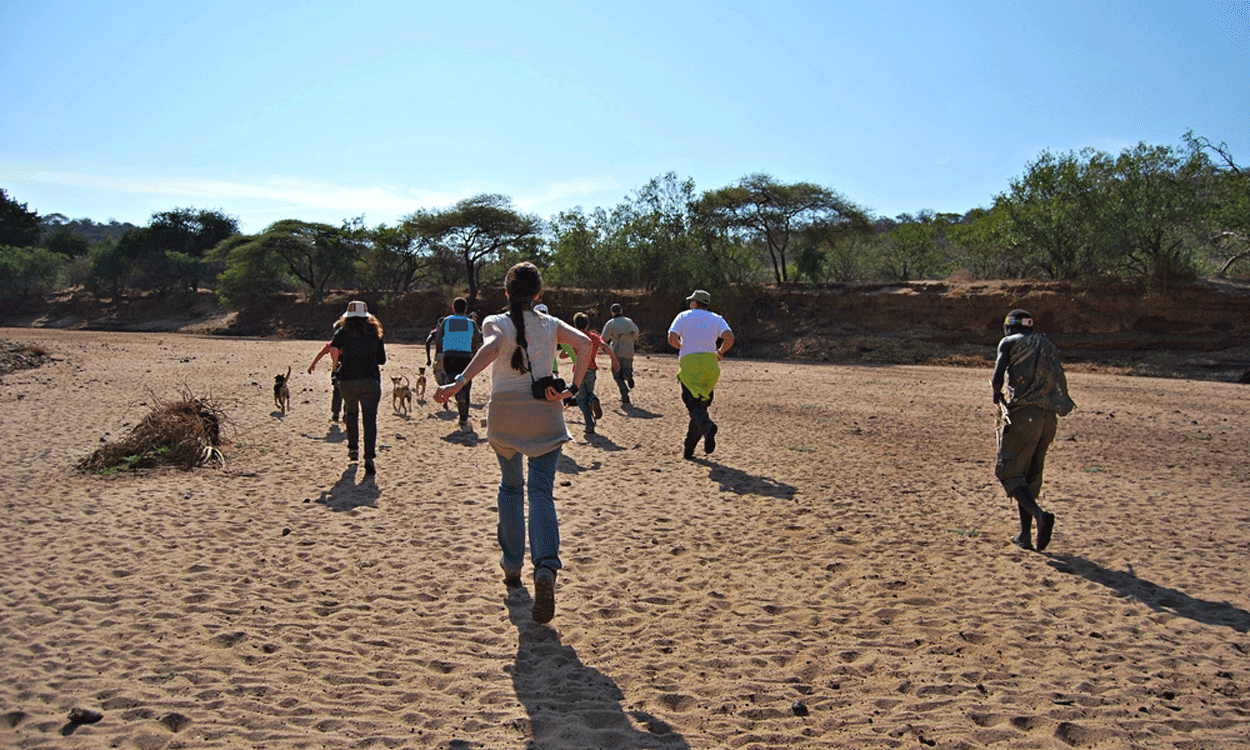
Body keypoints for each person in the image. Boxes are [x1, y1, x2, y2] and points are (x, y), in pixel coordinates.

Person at [435, 262, 592, 624]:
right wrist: (570, 389)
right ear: (538, 294)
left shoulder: (495, 321)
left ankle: (511, 565)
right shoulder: (551, 324)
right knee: (541, 492)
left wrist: (458, 382)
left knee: (510, 487)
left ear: (506, 293)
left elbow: (492, 348)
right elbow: (584, 344)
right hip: (545, 412)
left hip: (504, 413)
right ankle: (546, 569)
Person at [992, 308, 1076, 552]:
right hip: (1048, 418)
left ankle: (1039, 515)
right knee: (1030, 476)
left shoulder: (1009, 342)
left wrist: (996, 396)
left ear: (1009, 326)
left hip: (1025, 416)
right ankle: (1024, 536)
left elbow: (998, 377)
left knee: (1009, 472)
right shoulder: (1047, 344)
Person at [668, 289, 734, 460]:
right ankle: (689, 449)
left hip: (690, 366)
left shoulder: (683, 316)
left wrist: (681, 346)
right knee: (700, 408)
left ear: (694, 303)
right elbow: (729, 338)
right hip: (710, 367)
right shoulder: (716, 318)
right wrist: (720, 352)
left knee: (694, 406)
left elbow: (671, 337)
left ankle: (707, 426)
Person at [328, 301, 386, 475]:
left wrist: (335, 365)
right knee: (370, 419)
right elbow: (381, 360)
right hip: (370, 380)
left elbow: (333, 348)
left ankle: (353, 449)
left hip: (348, 380)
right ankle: (369, 457)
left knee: (351, 414)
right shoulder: (375, 333)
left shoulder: (342, 331)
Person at [563, 312, 619, 435]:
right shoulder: (594, 337)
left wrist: (570, 352)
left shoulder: (574, 337)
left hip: (579, 371)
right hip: (592, 370)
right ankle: (593, 399)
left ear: (575, 325)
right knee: (588, 394)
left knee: (580, 399)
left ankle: (589, 425)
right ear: (587, 325)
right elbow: (605, 346)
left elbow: (562, 355)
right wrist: (614, 360)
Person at [433, 298, 483, 431]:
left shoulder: (446, 321)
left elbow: (438, 339)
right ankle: (463, 419)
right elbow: (479, 339)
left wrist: (439, 354)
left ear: (453, 309)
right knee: (465, 385)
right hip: (465, 357)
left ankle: (457, 393)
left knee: (453, 379)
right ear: (466, 309)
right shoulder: (471, 323)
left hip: (449, 357)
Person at [601, 302, 640, 406]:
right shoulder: (630, 321)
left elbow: (603, 338)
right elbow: (636, 334)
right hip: (629, 350)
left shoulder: (611, 323)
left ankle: (625, 395)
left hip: (617, 352)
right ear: (621, 311)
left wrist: (602, 348)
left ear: (612, 312)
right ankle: (628, 374)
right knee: (627, 368)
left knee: (617, 375)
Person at [308, 318, 344, 422]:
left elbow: (322, 353)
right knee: (348, 392)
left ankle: (335, 414)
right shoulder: (349, 343)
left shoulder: (333, 343)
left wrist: (313, 364)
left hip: (336, 369)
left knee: (337, 391)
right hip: (349, 369)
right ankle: (346, 414)